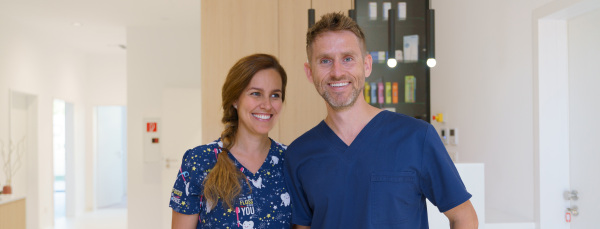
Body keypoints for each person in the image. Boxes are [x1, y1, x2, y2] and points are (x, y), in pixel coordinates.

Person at [283, 12, 478, 228]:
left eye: (348, 58)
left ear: (367, 65)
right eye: (325, 61)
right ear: (310, 73)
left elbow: (464, 218)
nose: (337, 72)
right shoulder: (298, 154)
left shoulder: (416, 137)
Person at [170, 53, 292, 229]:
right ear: (235, 99)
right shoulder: (200, 161)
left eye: (275, 95)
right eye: (256, 93)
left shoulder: (292, 160)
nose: (267, 105)